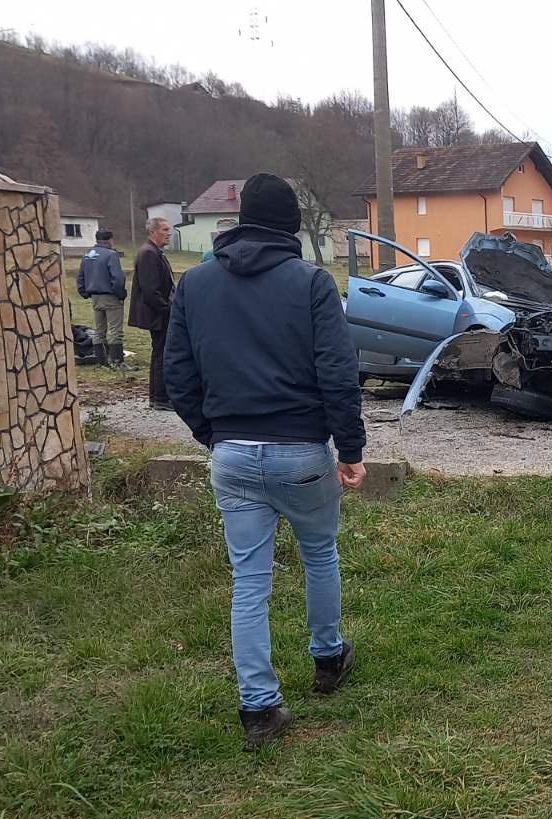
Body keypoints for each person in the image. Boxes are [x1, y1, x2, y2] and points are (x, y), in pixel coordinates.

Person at [165, 173, 368, 751]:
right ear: (291, 228)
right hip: (301, 450)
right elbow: (337, 372)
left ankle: (259, 709)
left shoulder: (195, 284)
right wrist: (349, 450)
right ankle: (328, 659)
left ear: (238, 222)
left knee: (248, 581)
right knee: (319, 553)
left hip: (232, 453)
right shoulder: (311, 283)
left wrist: (213, 434)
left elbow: (176, 372)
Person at [129, 217, 176, 410]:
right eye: (164, 229)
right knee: (161, 355)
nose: (169, 233)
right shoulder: (148, 253)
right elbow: (151, 290)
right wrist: (167, 310)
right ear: (153, 232)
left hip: (159, 313)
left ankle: (159, 396)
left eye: (169, 230)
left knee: (161, 353)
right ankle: (160, 397)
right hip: (158, 315)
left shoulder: (154, 252)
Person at [76, 229, 128, 369]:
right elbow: (117, 277)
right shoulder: (111, 255)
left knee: (99, 330)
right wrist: (120, 294)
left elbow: (81, 276)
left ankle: (102, 361)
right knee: (115, 330)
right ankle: (117, 361)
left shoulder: (87, 255)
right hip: (110, 295)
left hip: (95, 296)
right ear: (110, 239)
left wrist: (84, 292)